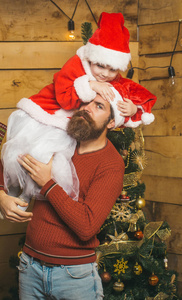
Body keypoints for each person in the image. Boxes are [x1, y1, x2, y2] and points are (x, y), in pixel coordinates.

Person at [1, 11, 157, 213]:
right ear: (92, 57)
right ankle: (13, 196)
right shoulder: (76, 64)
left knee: (55, 166)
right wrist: (89, 85)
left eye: (112, 70)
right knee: (28, 155)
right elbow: (64, 97)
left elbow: (132, 92)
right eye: (100, 66)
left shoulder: (110, 80)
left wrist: (135, 109)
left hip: (65, 125)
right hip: (46, 115)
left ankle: (26, 198)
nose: (105, 74)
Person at [0, 93, 125, 299]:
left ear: (112, 122)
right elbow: (11, 157)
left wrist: (48, 184)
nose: (87, 107)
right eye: (87, 101)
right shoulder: (58, 137)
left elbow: (87, 226)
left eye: (99, 106)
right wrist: (1, 195)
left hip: (73, 277)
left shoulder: (110, 164)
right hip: (30, 267)